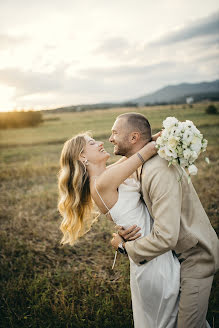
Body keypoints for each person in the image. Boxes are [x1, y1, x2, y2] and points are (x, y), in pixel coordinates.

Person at [58, 131, 180, 328]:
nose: (100, 142)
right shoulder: (103, 182)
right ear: (82, 156)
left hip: (149, 253)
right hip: (153, 260)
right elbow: (147, 150)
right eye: (91, 143)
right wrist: (173, 132)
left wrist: (157, 135)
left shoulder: (103, 177)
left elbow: (128, 158)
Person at [110, 112, 219, 328]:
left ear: (133, 138)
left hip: (195, 257)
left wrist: (124, 246)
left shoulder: (158, 170)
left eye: (115, 132)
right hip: (174, 258)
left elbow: (167, 237)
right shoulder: (142, 163)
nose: (111, 138)